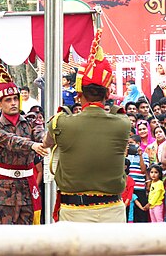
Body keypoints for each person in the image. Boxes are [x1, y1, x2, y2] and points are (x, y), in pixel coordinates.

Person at [43, 28, 131, 223]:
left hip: (74, 212)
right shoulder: (123, 123)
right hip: (113, 211)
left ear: (78, 93)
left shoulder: (61, 122)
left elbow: (46, 143)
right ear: (107, 95)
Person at [0, 62, 48, 225]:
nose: (13, 103)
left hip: (27, 185)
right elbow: (10, 141)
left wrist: (51, 137)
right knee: (6, 240)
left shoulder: (31, 120)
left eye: (15, 98)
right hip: (4, 188)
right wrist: (32, 145)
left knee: (28, 238)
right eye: (8, 100)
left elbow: (41, 135)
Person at [126, 134, 149, 222]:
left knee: (141, 212)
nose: (129, 145)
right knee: (129, 212)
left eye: (131, 143)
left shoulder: (144, 155)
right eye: (128, 143)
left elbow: (143, 170)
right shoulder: (127, 155)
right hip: (128, 188)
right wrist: (126, 153)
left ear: (138, 144)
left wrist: (140, 155)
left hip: (139, 187)